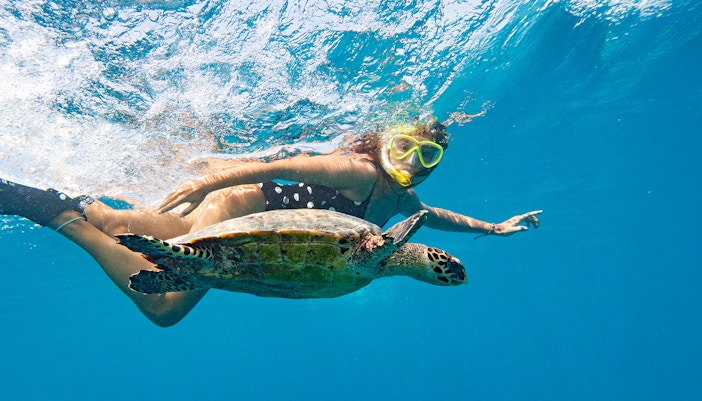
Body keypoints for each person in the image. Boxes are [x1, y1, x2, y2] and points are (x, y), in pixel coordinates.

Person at [0, 118, 541, 327]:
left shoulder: (395, 201)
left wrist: (493, 228)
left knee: (125, 225)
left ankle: (58, 199)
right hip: (238, 211)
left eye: (427, 159)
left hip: (248, 223)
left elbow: (431, 215)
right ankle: (57, 214)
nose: (410, 164)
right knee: (163, 305)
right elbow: (272, 165)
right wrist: (206, 182)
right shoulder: (356, 170)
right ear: (383, 143)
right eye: (404, 147)